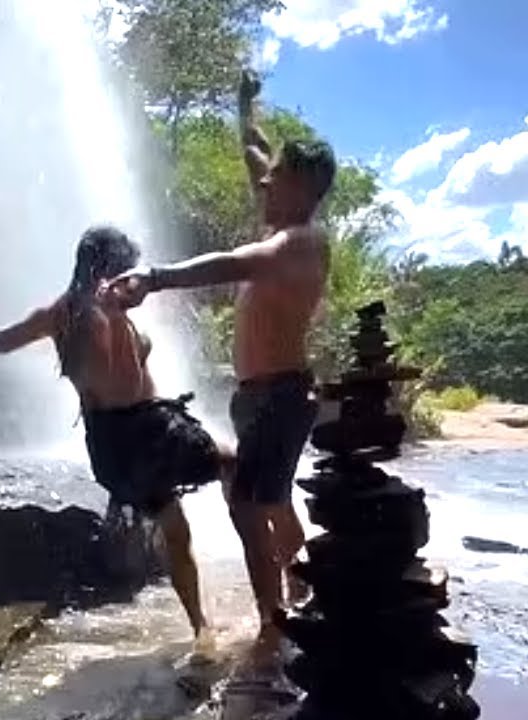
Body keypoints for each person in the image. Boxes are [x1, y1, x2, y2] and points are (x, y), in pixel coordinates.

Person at [106, 70, 334, 668]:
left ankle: (273, 621)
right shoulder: (285, 222)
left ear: (305, 185)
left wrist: (155, 278)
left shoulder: (299, 243)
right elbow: (254, 149)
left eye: (278, 175)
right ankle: (304, 591)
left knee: (249, 504)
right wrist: (243, 106)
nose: (264, 180)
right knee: (273, 501)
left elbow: (233, 263)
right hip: (260, 397)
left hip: (281, 396)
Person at [0, 225, 231, 658]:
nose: (134, 279)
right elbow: (110, 345)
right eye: (126, 269)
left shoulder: (58, 314)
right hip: (146, 433)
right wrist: (115, 309)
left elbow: (4, 341)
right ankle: (252, 597)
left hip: (109, 446)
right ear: (106, 270)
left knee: (176, 527)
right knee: (236, 463)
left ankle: (201, 628)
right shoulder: (99, 309)